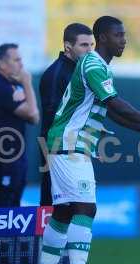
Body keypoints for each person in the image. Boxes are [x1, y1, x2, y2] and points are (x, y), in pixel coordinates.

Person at [33, 16, 140, 264]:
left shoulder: (97, 66)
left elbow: (112, 110)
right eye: (119, 35)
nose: (124, 40)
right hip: (70, 145)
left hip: (67, 145)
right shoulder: (93, 63)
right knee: (85, 208)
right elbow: (115, 103)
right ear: (103, 38)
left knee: (64, 212)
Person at [0, 43, 39, 264]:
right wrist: (27, 83)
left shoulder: (8, 86)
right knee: (0, 208)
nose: (21, 64)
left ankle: (4, 262)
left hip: (14, 158)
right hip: (2, 159)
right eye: (16, 60)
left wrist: (22, 87)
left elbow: (31, 114)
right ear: (2, 63)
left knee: (10, 207)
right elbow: (33, 115)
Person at [39, 23, 95, 206]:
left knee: (77, 205)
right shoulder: (56, 74)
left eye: (91, 45)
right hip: (57, 149)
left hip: (75, 146)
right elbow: (54, 117)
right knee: (56, 205)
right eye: (84, 45)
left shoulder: (81, 70)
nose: (90, 50)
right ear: (67, 46)